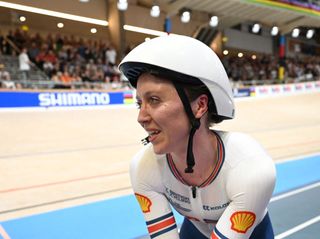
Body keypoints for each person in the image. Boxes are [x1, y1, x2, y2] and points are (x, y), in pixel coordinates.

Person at [118, 35, 276, 239]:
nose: (141, 117)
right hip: (195, 229)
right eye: (140, 103)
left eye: (154, 100)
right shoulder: (142, 167)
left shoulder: (251, 168)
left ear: (200, 106)